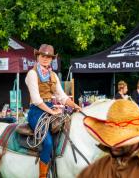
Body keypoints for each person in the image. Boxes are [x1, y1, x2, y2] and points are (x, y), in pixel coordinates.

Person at [25, 44, 81, 178]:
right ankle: (43, 175)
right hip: (36, 111)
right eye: (42, 56)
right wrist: (52, 111)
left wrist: (75, 105)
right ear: (38, 56)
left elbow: (62, 96)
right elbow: (37, 100)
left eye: (48, 57)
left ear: (51, 59)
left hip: (50, 108)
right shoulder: (32, 74)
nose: (45, 59)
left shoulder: (53, 75)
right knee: (48, 143)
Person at [78, 99, 139, 178]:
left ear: (136, 137)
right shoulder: (97, 169)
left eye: (120, 138)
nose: (113, 144)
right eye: (111, 136)